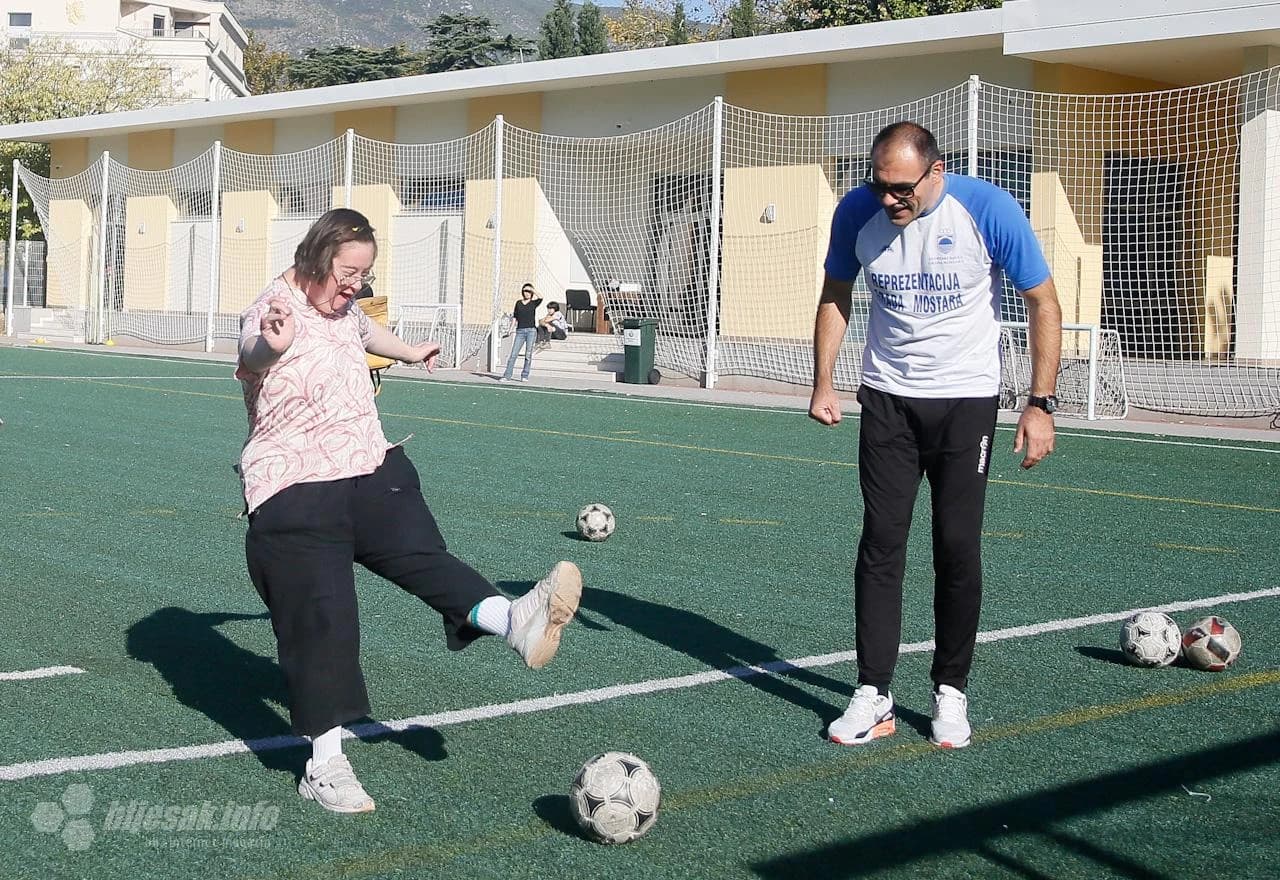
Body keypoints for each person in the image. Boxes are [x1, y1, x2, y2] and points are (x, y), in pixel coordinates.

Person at [236, 208, 582, 813]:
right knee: (325, 619)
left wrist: (408, 350)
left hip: (368, 464)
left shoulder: (344, 307)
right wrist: (271, 343)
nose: (356, 285)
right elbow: (251, 350)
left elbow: (363, 334)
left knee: (421, 554)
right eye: (349, 273)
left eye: (364, 275)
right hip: (295, 485)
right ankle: (325, 763)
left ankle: (514, 621)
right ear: (316, 256)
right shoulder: (276, 308)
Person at [809, 122, 1061, 750]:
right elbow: (836, 292)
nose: (889, 199)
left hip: (966, 402)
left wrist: (1039, 404)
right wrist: (824, 381)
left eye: (902, 188)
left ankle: (951, 689)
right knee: (881, 542)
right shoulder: (857, 213)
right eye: (879, 184)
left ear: (935, 170)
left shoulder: (989, 209)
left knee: (956, 547)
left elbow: (1043, 300)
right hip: (888, 399)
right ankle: (874, 693)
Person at [500, 282, 542, 381]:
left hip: (531, 331)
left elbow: (541, 297)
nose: (526, 293)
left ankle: (524, 375)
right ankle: (507, 376)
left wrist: (532, 289)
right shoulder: (518, 303)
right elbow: (515, 317)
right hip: (520, 331)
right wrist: (510, 330)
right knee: (513, 354)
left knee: (528, 354)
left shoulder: (533, 303)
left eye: (528, 291)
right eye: (525, 291)